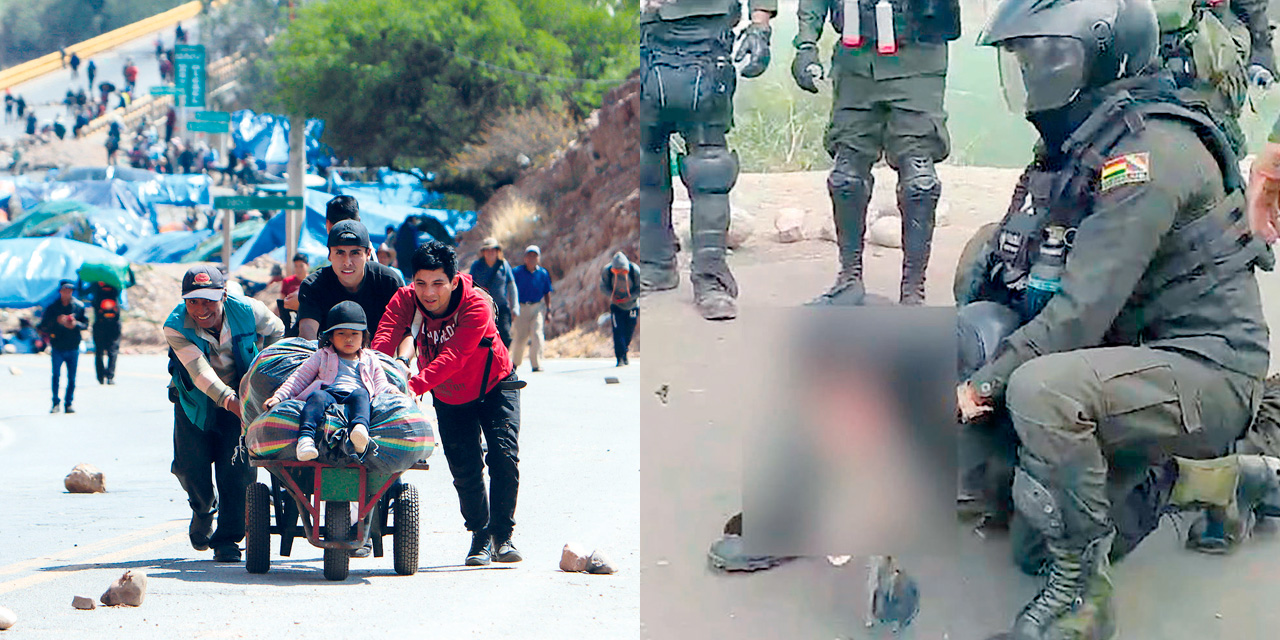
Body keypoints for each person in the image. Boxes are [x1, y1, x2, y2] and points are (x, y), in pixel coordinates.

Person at [960, 1, 1277, 637]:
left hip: (1206, 368)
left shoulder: (1150, 152)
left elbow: (1078, 316)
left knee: (1040, 389)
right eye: (1021, 61)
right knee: (1027, 535)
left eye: (1040, 59)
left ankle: (1081, 602)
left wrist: (983, 386)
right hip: (1135, 355)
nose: (1029, 76)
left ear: (1095, 58)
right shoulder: (1089, 138)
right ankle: (1210, 481)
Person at [793, 0, 959, 306]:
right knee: (846, 176)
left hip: (917, 56)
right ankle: (849, 278)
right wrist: (806, 44)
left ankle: (913, 291)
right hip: (856, 59)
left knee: (919, 181)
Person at [372, 241, 526, 566]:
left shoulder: (476, 304)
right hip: (448, 395)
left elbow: (454, 356)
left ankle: (503, 535)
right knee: (465, 469)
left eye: (438, 283)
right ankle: (480, 537)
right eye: (421, 283)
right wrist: (376, 375)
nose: (429, 293)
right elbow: (384, 338)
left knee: (503, 457)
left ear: (454, 281)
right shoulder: (405, 299)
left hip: (496, 384)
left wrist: (412, 386)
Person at [637, 0, 775, 321]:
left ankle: (711, 277)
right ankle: (655, 264)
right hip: (646, 37)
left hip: (706, 39)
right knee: (645, 161)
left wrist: (760, 26)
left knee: (710, 167)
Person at [163, 265, 284, 563]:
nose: (201, 309)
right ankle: (203, 509)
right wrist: (231, 402)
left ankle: (229, 538)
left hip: (242, 397)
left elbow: (278, 331)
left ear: (223, 295)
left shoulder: (248, 310)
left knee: (238, 471)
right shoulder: (176, 326)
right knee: (189, 468)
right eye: (193, 301)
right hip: (195, 402)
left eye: (208, 301)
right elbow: (200, 373)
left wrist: (263, 372)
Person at [265, 301, 400, 461]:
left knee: (362, 394)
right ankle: (305, 440)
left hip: (354, 397)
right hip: (329, 393)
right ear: (331, 336)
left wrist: (393, 391)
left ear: (364, 336)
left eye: (355, 334)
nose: (348, 339)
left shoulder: (370, 358)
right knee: (317, 396)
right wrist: (279, 397)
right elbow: (299, 378)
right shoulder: (322, 355)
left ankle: (359, 432)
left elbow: (380, 383)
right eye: (341, 334)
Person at [296, 220, 404, 341]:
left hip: (380, 357)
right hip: (326, 357)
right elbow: (307, 334)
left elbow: (406, 332)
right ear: (329, 255)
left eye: (355, 253)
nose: (347, 262)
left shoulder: (388, 282)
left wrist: (401, 359)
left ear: (368, 254)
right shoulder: (313, 285)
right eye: (340, 253)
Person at [38, 280, 88, 414]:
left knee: (72, 377)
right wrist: (57, 321)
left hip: (73, 346)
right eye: (65, 290)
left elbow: (85, 324)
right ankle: (55, 402)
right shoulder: (52, 308)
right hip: (58, 346)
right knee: (56, 376)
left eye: (70, 291)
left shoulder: (78, 306)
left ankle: (69, 403)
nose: (67, 293)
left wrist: (75, 323)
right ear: (60, 291)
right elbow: (42, 326)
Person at [468, 237, 518, 348]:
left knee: (505, 335)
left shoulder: (504, 265)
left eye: (493, 250)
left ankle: (503, 359)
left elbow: (511, 286)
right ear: (483, 252)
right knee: (484, 337)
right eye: (487, 250)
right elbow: (469, 285)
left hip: (501, 307)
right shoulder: (477, 266)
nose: (490, 253)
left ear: (497, 251)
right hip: (482, 308)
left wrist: (515, 306)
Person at [511, 245, 552, 372]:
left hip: (537, 308)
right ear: (525, 258)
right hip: (521, 308)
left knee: (537, 334)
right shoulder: (516, 272)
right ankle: (515, 364)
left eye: (535, 256)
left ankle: (536, 363)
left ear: (538, 258)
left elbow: (547, 292)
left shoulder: (543, 273)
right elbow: (511, 291)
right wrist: (512, 307)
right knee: (520, 337)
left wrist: (548, 311)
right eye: (529, 255)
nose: (532, 258)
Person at [600, 251, 640, 367]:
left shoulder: (635, 271)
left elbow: (640, 288)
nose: (620, 273)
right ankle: (620, 358)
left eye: (622, 271)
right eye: (617, 271)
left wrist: (629, 297)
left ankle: (625, 351)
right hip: (616, 306)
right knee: (618, 332)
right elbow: (603, 287)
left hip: (632, 306)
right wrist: (612, 296)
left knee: (629, 331)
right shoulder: (607, 271)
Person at [89, 281, 122, 386]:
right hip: (109, 326)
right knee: (110, 352)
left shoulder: (96, 289)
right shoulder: (116, 289)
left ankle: (103, 377)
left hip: (104, 326)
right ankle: (108, 377)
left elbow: (82, 292)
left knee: (102, 352)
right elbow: (130, 282)